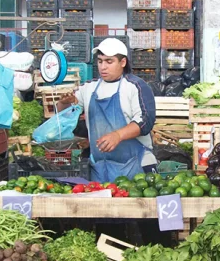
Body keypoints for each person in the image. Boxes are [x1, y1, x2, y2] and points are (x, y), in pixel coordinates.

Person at [57, 38, 157, 182]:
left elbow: (145, 121)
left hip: (136, 168)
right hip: (100, 169)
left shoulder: (135, 86)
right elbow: (66, 117)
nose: (103, 67)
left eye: (109, 62)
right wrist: (64, 103)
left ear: (123, 63)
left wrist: (118, 135)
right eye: (100, 61)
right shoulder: (88, 88)